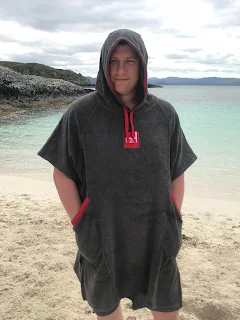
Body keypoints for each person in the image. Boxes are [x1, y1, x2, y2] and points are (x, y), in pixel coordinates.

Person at [38, 29, 197, 320]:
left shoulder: (165, 115)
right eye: (113, 61)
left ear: (143, 64)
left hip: (157, 234)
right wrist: (80, 222)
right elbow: (62, 173)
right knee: (107, 309)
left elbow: (178, 169)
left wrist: (175, 214)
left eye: (130, 61)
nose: (120, 71)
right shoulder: (81, 114)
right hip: (102, 233)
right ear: (103, 63)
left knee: (167, 309)